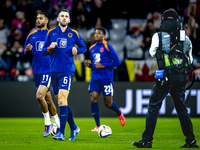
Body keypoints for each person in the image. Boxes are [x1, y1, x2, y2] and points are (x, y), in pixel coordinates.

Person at [132, 10, 199, 148]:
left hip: (164, 77)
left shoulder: (158, 36)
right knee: (182, 109)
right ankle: (191, 141)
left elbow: (151, 53)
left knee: (153, 107)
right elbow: (190, 60)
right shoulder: (186, 39)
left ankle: (147, 140)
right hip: (181, 78)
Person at [42, 9, 87, 141]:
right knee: (63, 103)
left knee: (62, 100)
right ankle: (74, 128)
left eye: (66, 16)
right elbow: (44, 51)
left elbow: (84, 47)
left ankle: (61, 133)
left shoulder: (73, 34)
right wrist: (50, 47)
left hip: (67, 70)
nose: (64, 18)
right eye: (62, 16)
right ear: (57, 18)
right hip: (53, 71)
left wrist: (77, 50)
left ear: (69, 20)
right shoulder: (51, 33)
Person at [21, 12, 60, 137]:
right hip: (37, 71)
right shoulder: (31, 35)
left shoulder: (53, 34)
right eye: (37, 18)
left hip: (48, 70)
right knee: (48, 99)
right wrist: (26, 50)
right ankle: (59, 125)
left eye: (40, 18)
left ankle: (47, 123)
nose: (37, 20)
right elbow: (23, 53)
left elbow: (59, 51)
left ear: (46, 21)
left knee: (39, 96)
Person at [84, 27, 126, 131]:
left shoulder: (107, 46)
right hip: (94, 77)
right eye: (95, 33)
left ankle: (119, 113)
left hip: (106, 78)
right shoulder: (91, 48)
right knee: (93, 98)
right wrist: (89, 65)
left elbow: (117, 62)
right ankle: (97, 125)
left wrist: (102, 65)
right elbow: (95, 65)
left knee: (108, 103)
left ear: (104, 36)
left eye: (99, 33)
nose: (96, 35)